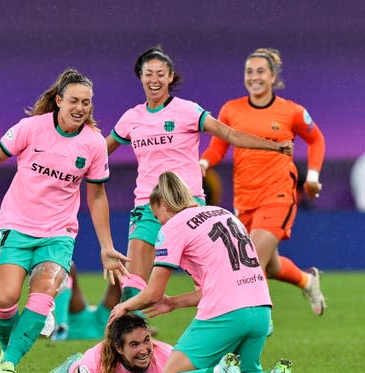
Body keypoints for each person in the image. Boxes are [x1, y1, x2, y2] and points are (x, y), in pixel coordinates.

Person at [0, 69, 129, 373]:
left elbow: (97, 195)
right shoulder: (30, 128)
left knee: (42, 294)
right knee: (5, 300)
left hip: (59, 233)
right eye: (74, 100)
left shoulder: (93, 144)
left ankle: (8, 364)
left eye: (87, 103)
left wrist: (106, 245)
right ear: (59, 101)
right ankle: (11, 350)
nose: (80, 107)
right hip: (16, 225)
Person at [105, 46, 292, 303]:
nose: (154, 79)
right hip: (148, 207)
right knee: (132, 286)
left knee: (214, 285)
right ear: (141, 77)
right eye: (149, 73)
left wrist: (276, 145)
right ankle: (135, 340)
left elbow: (230, 134)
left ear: (170, 77)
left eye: (161, 73)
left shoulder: (188, 111)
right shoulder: (131, 118)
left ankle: (250, 313)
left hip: (188, 207)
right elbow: (101, 151)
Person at [109, 171, 292, 373]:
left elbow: (153, 292)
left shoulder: (174, 226)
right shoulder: (224, 214)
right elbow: (221, 283)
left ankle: (218, 371)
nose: (160, 223)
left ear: (163, 204)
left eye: (158, 217)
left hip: (226, 313)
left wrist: (126, 305)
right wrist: (174, 302)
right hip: (262, 309)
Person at [200, 48, 326, 315]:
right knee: (271, 266)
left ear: (273, 77)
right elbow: (217, 148)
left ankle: (259, 320)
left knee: (250, 259)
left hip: (278, 194)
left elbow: (316, 139)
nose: (254, 77)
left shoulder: (291, 111)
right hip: (245, 199)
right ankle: (307, 280)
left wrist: (312, 177)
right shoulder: (231, 109)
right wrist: (204, 163)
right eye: (249, 71)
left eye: (260, 71)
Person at [44, 313, 171, 373]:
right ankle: (71, 364)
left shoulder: (169, 356)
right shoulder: (98, 357)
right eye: (134, 345)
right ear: (119, 348)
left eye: (146, 340)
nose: (144, 350)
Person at [50, 261, 123, 341]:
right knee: (67, 264)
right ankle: (61, 327)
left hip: (110, 323)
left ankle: (60, 327)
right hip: (102, 322)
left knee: (121, 263)